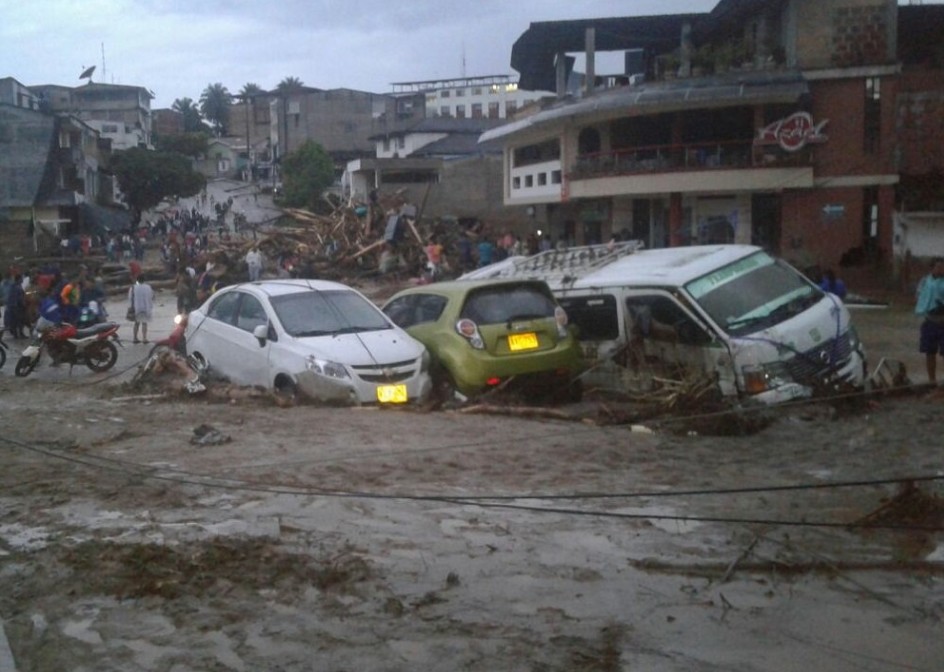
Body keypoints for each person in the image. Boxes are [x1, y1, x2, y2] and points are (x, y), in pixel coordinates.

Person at [915, 257, 944, 384]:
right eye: (938, 267)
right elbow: (920, 296)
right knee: (929, 352)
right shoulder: (925, 281)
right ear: (932, 268)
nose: (941, 270)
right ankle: (931, 380)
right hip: (930, 320)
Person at [128, 274, 155, 344]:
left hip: (136, 308)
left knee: (136, 323)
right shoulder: (148, 287)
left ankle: (135, 338)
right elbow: (151, 296)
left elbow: (130, 298)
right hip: (146, 308)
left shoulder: (133, 287)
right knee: (144, 323)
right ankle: (144, 338)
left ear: (137, 280)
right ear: (144, 280)